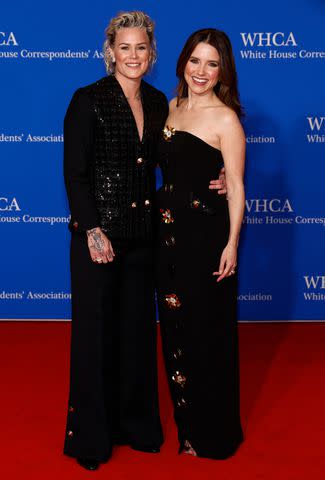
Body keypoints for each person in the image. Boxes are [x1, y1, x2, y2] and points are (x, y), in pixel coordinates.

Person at [63, 12, 226, 470]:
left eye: (141, 48)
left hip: (145, 238)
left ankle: (137, 427)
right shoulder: (87, 100)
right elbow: (74, 176)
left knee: (136, 337)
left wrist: (224, 177)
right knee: (96, 339)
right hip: (98, 240)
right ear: (110, 52)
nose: (132, 56)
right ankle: (91, 439)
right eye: (124, 47)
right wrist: (93, 230)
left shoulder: (159, 103)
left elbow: (179, 156)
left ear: (152, 54)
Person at [155, 28, 245, 459]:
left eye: (212, 63)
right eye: (195, 60)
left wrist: (231, 244)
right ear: (183, 62)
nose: (202, 71)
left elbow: (239, 187)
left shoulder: (226, 118)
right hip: (166, 241)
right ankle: (186, 429)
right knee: (175, 335)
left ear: (222, 69)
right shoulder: (170, 107)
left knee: (207, 336)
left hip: (206, 241)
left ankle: (214, 433)